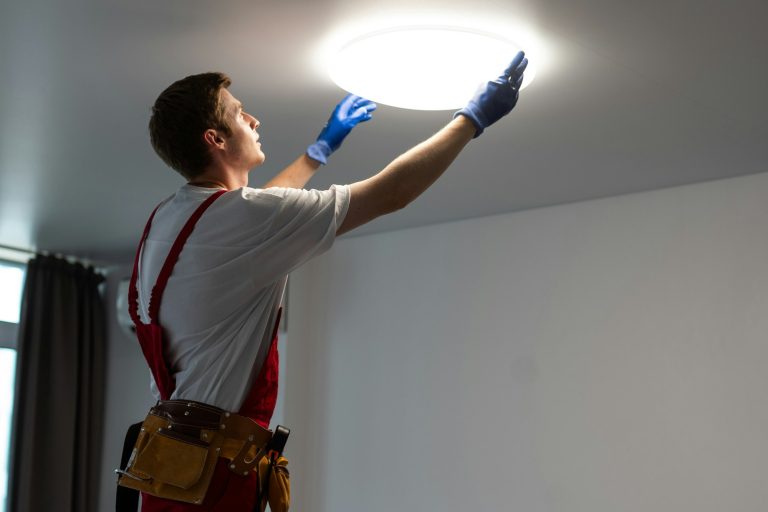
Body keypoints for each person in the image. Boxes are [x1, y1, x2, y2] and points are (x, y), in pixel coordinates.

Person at [123, 51, 528, 511]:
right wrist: (470, 120)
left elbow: (258, 214)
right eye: (239, 113)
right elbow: (389, 193)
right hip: (211, 477)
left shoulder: (171, 218)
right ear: (215, 138)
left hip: (172, 467)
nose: (253, 119)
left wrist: (321, 150)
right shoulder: (241, 219)